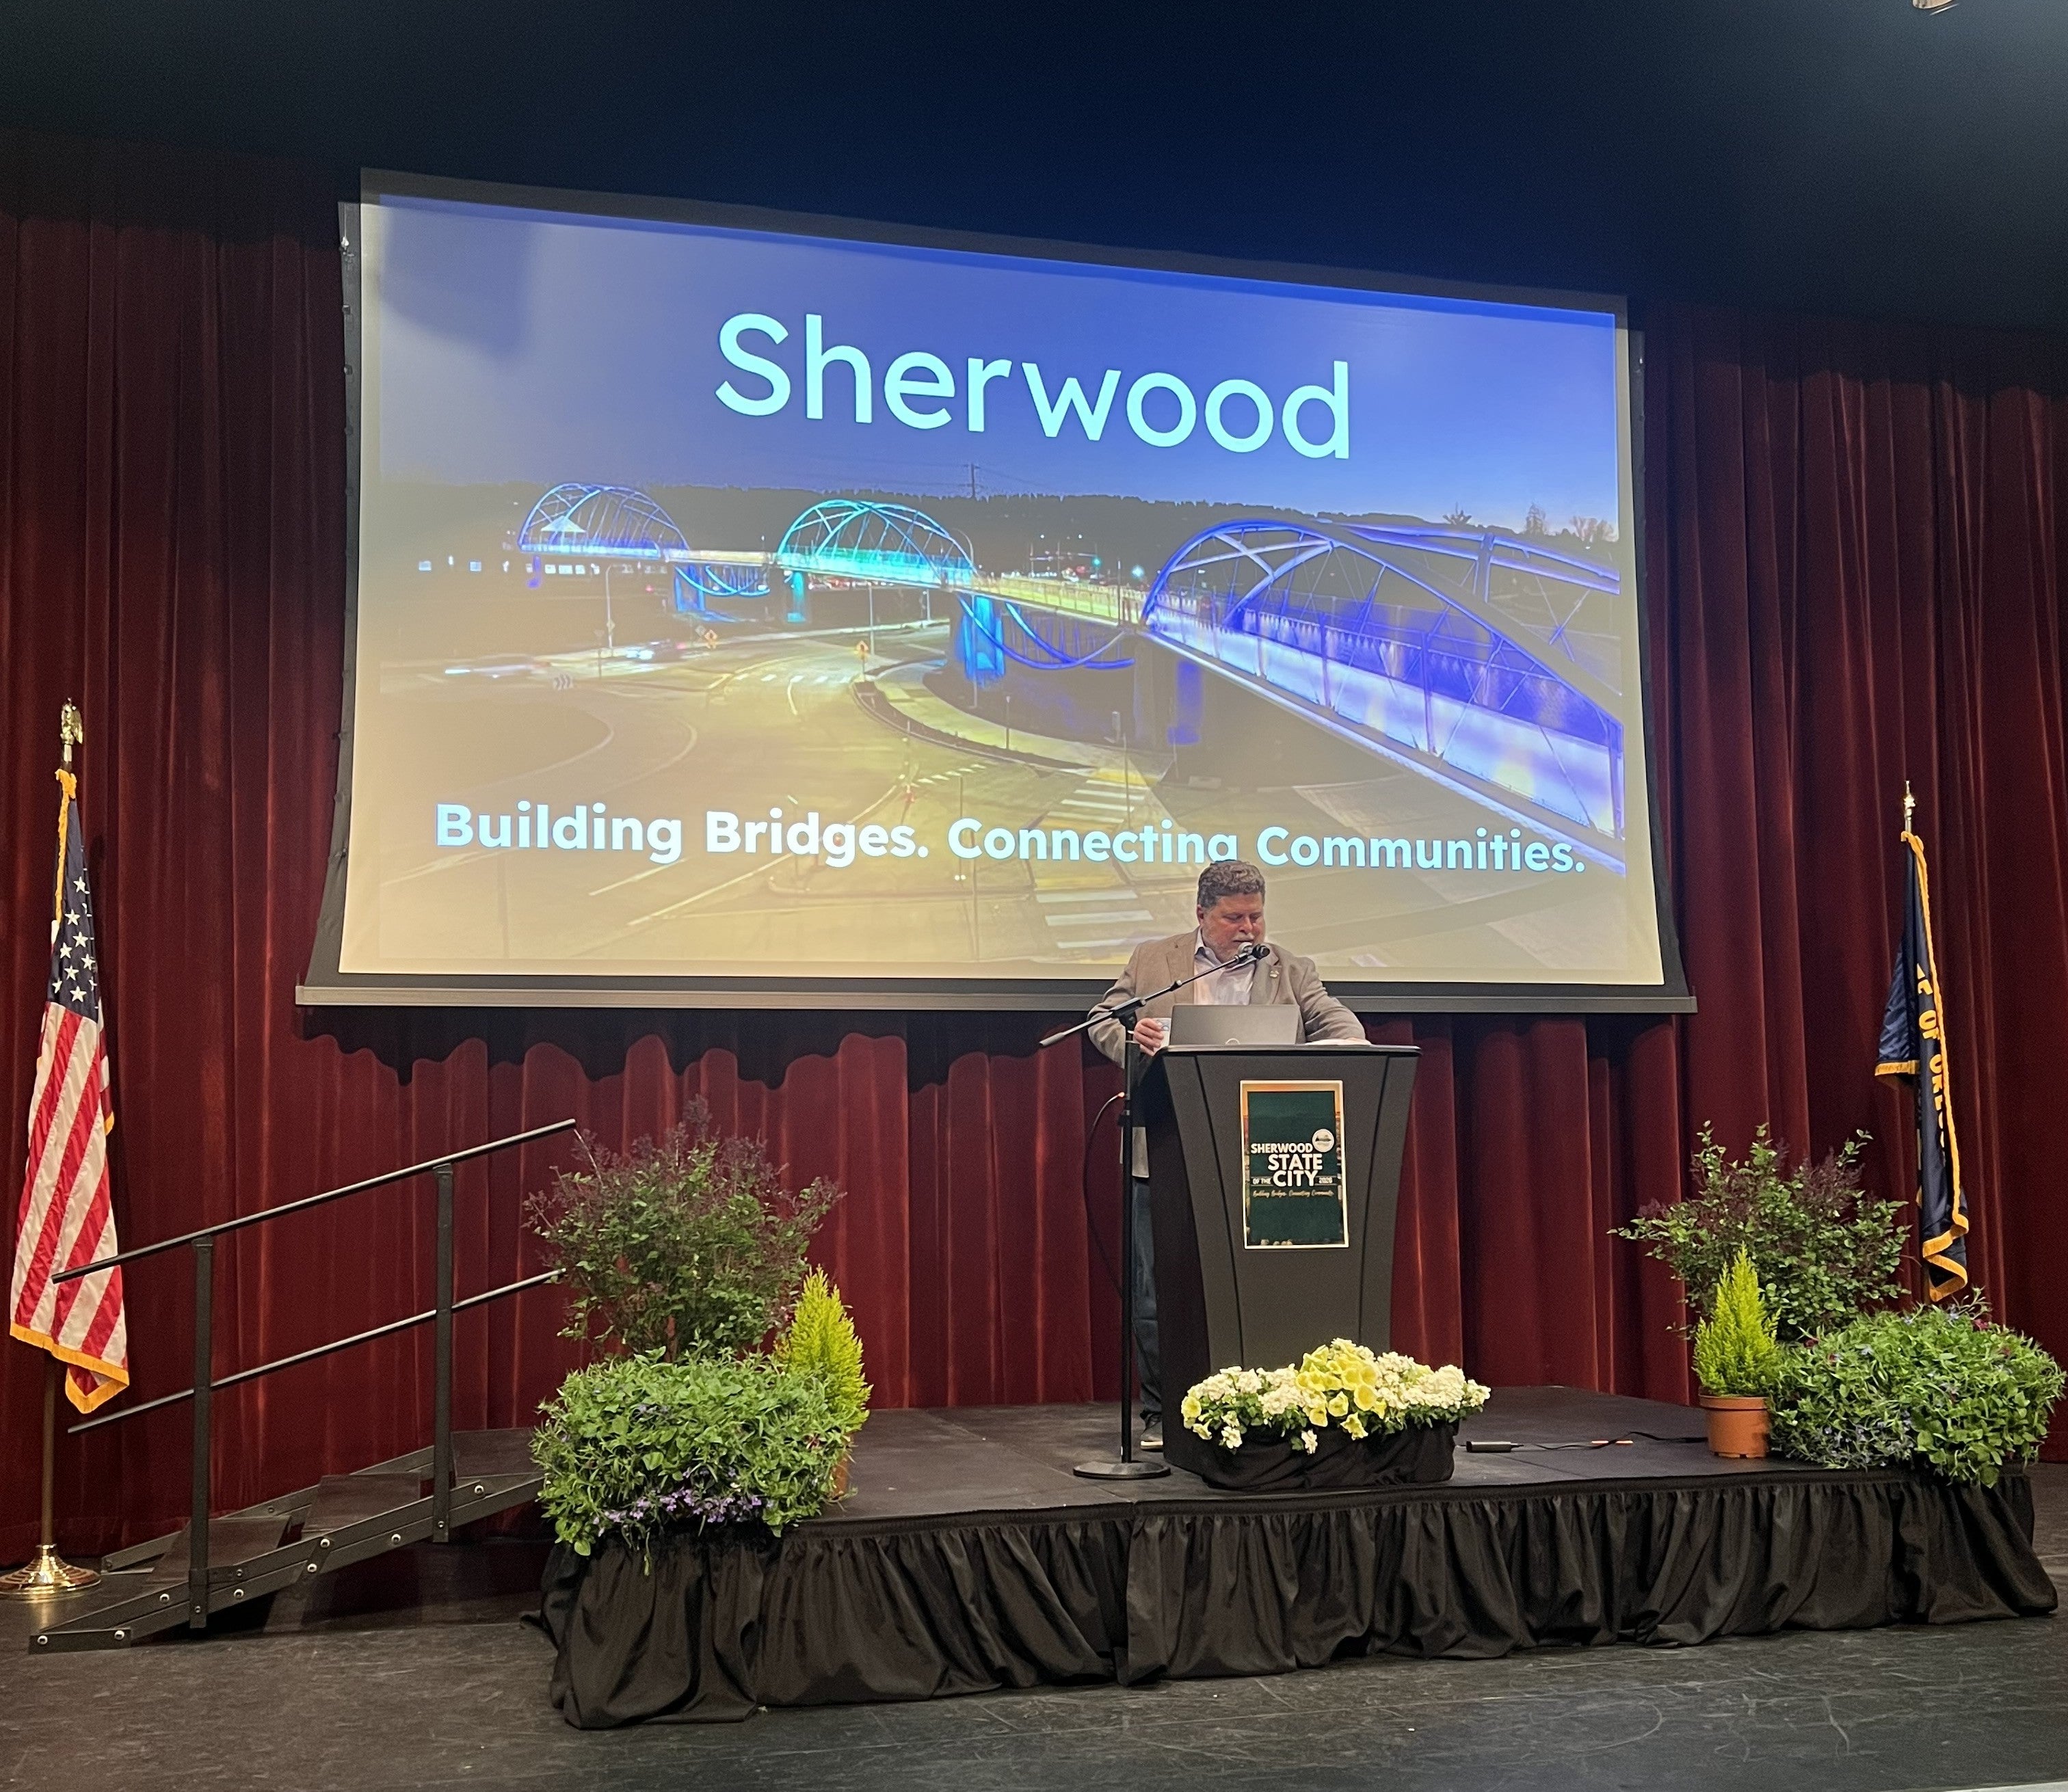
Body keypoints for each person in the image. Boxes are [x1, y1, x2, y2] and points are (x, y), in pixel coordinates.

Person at [1088, 859, 1366, 1447]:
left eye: (1256, 916)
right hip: (1163, 1146)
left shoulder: (1290, 968)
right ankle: (1163, 1413)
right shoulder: (1153, 961)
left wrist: (1351, 1041)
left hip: (1260, 1155)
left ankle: (1263, 1406)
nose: (1248, 929)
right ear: (1201, 916)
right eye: (1233, 917)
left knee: (1249, 1283)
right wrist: (1132, 1041)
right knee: (1154, 1289)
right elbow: (1102, 1020)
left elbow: (1331, 1018)